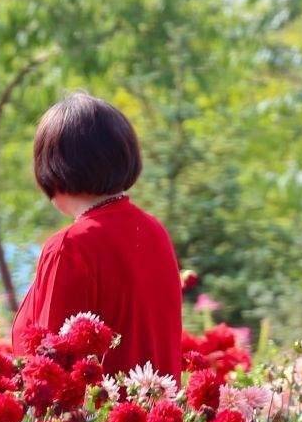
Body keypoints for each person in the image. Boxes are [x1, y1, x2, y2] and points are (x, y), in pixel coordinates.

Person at [11, 92, 184, 377]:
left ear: (55, 166)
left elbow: (50, 370)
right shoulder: (154, 231)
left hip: (97, 418)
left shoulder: (71, 246)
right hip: (156, 413)